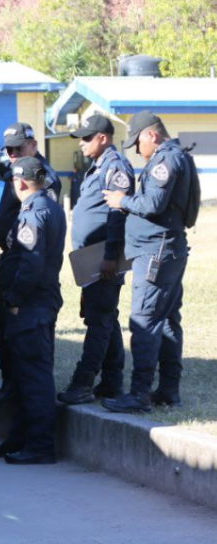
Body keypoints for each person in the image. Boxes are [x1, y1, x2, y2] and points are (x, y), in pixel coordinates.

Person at [0, 105, 61, 406]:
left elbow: (39, 235)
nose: (12, 155)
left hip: (29, 267)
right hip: (11, 264)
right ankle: (11, 384)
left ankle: (26, 392)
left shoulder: (43, 178)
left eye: (18, 149)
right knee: (3, 326)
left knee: (29, 338)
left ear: (33, 145)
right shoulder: (16, 167)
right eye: (8, 150)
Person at [102, 111, 191, 413]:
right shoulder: (175, 156)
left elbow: (153, 203)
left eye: (138, 144)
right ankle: (168, 391)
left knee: (144, 320)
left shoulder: (166, 160)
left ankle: (139, 394)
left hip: (156, 253)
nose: (138, 151)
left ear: (151, 135)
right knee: (166, 321)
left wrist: (121, 201)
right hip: (164, 249)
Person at [0, 157, 65, 465]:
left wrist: (15, 299)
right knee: (24, 376)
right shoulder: (50, 206)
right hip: (40, 300)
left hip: (31, 305)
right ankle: (20, 438)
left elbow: (31, 263)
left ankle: (40, 446)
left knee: (34, 378)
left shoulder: (33, 212)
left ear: (20, 182)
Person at [57, 115, 133, 405]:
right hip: (91, 258)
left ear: (103, 138)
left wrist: (111, 256)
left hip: (104, 257)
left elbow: (118, 214)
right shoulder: (97, 167)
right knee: (105, 317)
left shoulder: (115, 166)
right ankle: (112, 382)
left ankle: (83, 382)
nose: (82, 142)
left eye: (87, 137)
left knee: (99, 321)